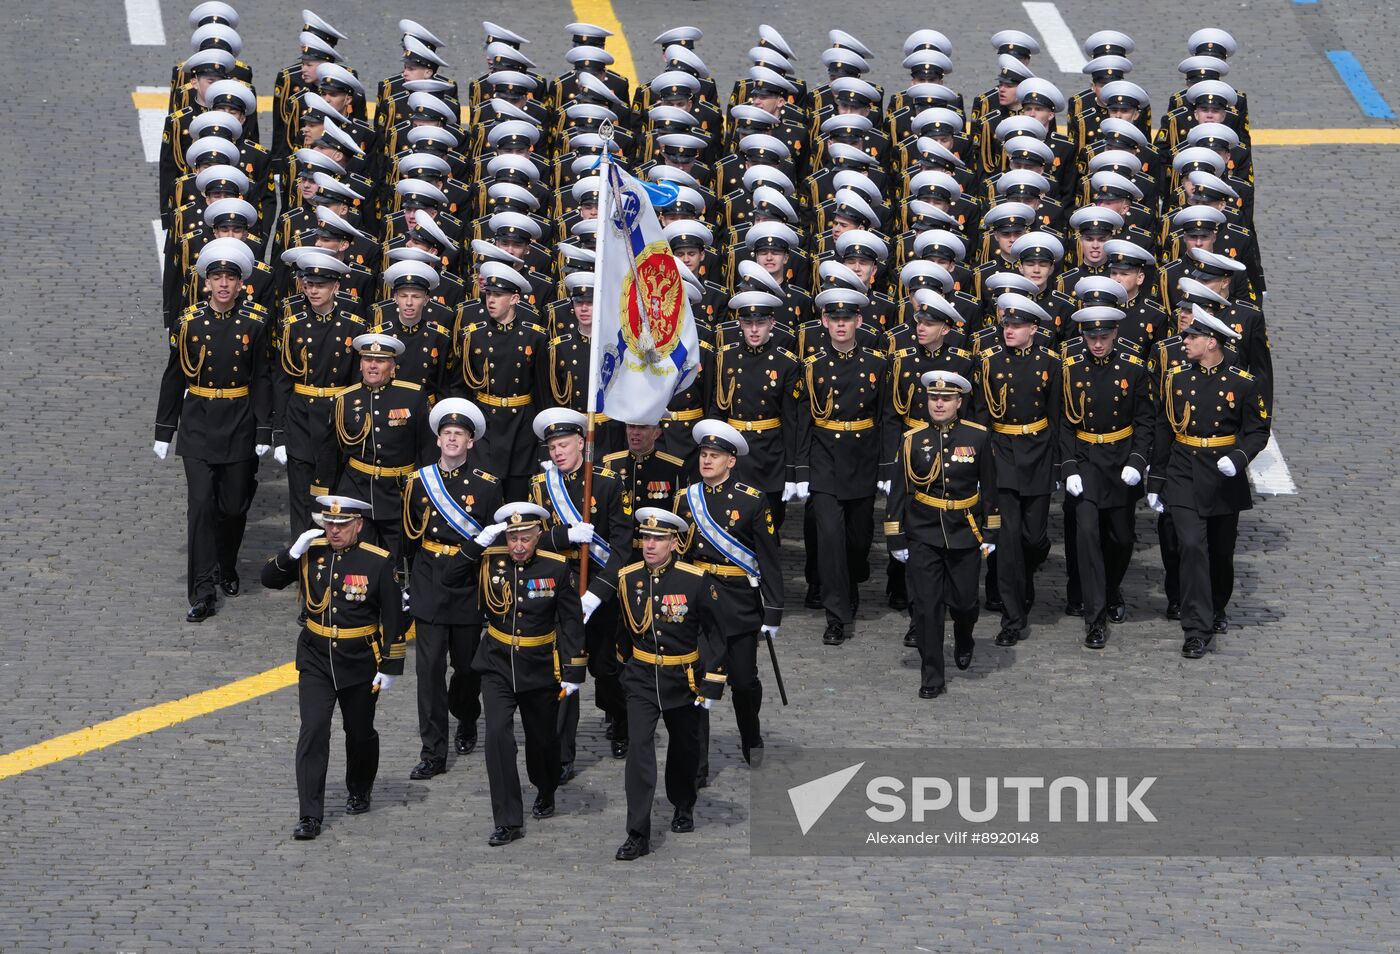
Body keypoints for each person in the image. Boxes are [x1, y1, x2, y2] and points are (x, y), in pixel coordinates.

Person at [261, 495, 405, 841]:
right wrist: (291, 553)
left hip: (359, 660)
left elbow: (394, 617)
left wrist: (391, 665)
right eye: (329, 524)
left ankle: (360, 787)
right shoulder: (311, 552)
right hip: (316, 658)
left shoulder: (378, 561)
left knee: (360, 732)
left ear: (359, 525)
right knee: (313, 731)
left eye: (342, 525)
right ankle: (310, 814)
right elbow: (269, 579)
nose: (334, 531)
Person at [155, 239, 272, 621]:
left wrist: (265, 429)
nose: (223, 284)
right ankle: (202, 590)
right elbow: (174, 376)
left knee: (234, 506)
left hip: (239, 421)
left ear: (241, 285)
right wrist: (164, 429)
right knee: (201, 507)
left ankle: (226, 563)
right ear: (206, 283)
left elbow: (262, 377)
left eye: (230, 278)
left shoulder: (255, 323)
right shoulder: (188, 323)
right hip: (199, 423)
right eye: (217, 277)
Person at [1148, 307, 1269, 658]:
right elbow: (1164, 430)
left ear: (1212, 341)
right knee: (1191, 546)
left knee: (1220, 551)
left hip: (1221, 475)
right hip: (1184, 470)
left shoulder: (1242, 383)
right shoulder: (1176, 380)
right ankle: (1196, 629)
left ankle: (1216, 606)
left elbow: (1258, 430)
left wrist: (1239, 457)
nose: (1184, 341)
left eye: (1192, 337)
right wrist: (1156, 481)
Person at [464, 502, 586, 846]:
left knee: (543, 741)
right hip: (497, 663)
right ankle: (508, 821)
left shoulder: (557, 567)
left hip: (539, 666)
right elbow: (449, 577)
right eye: (512, 537)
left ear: (538, 537)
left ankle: (545, 788)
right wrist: (475, 545)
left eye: (526, 538)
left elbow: (571, 622)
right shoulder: (489, 561)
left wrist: (574, 669)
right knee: (497, 737)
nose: (518, 545)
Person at [614, 508, 727, 861]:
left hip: (683, 678)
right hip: (642, 678)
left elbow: (716, 633)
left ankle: (683, 803)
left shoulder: (696, 580)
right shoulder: (628, 578)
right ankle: (637, 832)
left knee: (684, 748)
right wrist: (623, 670)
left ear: (675, 543)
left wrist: (712, 681)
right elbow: (622, 631)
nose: (650, 545)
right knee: (639, 750)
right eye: (646, 538)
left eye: (658, 539)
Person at [400, 398, 503, 779]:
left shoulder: (488, 486)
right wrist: (403, 583)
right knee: (428, 672)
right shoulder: (418, 482)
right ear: (438, 439)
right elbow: (407, 538)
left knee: (466, 669)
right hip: (429, 580)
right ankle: (433, 752)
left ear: (470, 442)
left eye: (459, 434)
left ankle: (467, 715)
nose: (452, 439)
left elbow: (494, 545)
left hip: (466, 585)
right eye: (447, 433)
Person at [528, 408, 633, 776]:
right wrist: (563, 535)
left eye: (564, 445)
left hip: (599, 588)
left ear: (580, 444)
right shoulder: (541, 486)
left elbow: (622, 548)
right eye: (553, 447)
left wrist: (598, 592)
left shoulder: (607, 483)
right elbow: (529, 539)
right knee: (564, 669)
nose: (558, 452)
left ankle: (621, 719)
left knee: (606, 669)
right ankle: (562, 756)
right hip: (560, 588)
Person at [672, 420, 782, 770]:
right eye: (704, 455)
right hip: (699, 603)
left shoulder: (752, 500)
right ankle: (697, 766)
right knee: (698, 683)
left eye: (715, 456)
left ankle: (751, 736)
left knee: (743, 682)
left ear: (731, 461)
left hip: (738, 603)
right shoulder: (685, 500)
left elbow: (768, 558)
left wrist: (773, 611)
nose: (707, 461)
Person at [886, 371, 998, 698]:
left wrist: (992, 531)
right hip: (923, 530)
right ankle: (932, 675)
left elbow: (990, 488)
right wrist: (895, 535)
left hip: (964, 530)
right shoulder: (913, 439)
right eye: (934, 398)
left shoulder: (978, 437)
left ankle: (964, 636)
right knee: (926, 607)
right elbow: (898, 490)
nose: (938, 404)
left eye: (946, 399)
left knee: (964, 602)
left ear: (958, 402)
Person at [797, 288, 894, 645]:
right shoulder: (812, 367)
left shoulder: (877, 364)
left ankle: (851, 580)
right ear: (824, 321)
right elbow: (802, 421)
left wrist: (886, 466)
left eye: (847, 319)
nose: (841, 325)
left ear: (859, 321)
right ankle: (836, 615)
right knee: (829, 539)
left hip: (862, 458)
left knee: (858, 539)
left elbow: (885, 417)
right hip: (824, 459)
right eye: (834, 319)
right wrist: (800, 472)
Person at [1059, 307, 1153, 648]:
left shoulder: (1133, 368)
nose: (1097, 343)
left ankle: (1111, 588)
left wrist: (1138, 461)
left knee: (1122, 538)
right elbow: (1064, 424)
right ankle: (1095, 617)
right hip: (1086, 460)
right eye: (1091, 337)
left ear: (1115, 334)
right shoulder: (1070, 370)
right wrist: (1068, 466)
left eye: (1103, 336)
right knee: (1087, 535)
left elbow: (1145, 420)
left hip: (1119, 460)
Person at [979, 294, 1062, 646]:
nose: (1009, 331)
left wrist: (1060, 464)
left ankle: (1024, 578)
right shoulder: (989, 362)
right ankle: (1013, 618)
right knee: (1009, 539)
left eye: (1017, 325)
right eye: (1006, 325)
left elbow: (1057, 417)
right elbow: (982, 416)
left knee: (1034, 538)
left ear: (1033, 329)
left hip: (1038, 452)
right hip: (1002, 453)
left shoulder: (1051, 363)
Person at [330, 334, 432, 563]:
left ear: (393, 367)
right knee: (358, 559)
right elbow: (332, 453)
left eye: (380, 360)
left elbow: (426, 449)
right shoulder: (345, 399)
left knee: (397, 559)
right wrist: (327, 494)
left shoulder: (413, 396)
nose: (373, 366)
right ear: (360, 364)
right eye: (368, 359)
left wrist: (423, 491)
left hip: (398, 492)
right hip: (357, 488)